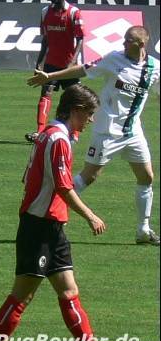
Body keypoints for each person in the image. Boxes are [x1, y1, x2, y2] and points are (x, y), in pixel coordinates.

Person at [0, 84, 105, 341]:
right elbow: (63, 187)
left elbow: (29, 178)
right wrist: (90, 215)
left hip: (51, 227)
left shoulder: (48, 134)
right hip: (39, 228)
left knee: (69, 292)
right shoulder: (58, 139)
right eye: (89, 114)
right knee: (21, 296)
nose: (91, 120)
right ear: (76, 110)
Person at [27, 26, 160, 245]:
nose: (124, 44)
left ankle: (143, 230)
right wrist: (49, 76)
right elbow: (83, 69)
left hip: (133, 132)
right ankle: (50, 215)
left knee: (146, 177)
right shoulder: (114, 59)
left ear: (141, 44)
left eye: (128, 41)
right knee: (89, 177)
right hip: (106, 131)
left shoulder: (155, 67)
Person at [25, 0, 84, 144]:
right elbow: (45, 39)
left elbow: (80, 39)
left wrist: (73, 62)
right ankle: (40, 131)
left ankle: (75, 133)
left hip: (69, 65)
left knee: (74, 98)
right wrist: (39, 63)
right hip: (51, 63)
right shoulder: (45, 12)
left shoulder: (74, 13)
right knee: (45, 94)